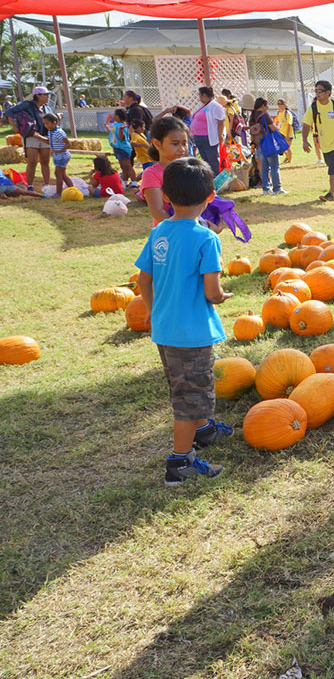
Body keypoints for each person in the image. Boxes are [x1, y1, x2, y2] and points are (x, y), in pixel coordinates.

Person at [134, 157, 234, 486]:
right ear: (210, 198)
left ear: (165, 195)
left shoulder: (160, 231)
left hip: (165, 331)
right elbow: (212, 292)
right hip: (192, 335)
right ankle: (180, 461)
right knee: (189, 401)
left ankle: (203, 430)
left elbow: (143, 280)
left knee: (185, 388)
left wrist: (151, 309)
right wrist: (223, 297)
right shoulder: (206, 239)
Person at [140, 116, 192, 228]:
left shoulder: (192, 169)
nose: (182, 149)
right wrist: (183, 229)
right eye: (175, 143)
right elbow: (158, 211)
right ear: (157, 144)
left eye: (184, 143)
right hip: (169, 235)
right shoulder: (152, 174)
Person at [3, 86, 53, 191]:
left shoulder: (47, 107)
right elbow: (9, 112)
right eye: (45, 94)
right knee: (32, 161)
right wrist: (15, 127)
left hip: (45, 135)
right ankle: (30, 185)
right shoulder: (27, 105)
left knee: (45, 161)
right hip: (31, 136)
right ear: (37, 96)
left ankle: (47, 185)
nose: (48, 96)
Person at [248, 97, 285, 195]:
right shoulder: (264, 115)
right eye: (267, 105)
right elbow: (273, 128)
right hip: (268, 143)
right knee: (274, 166)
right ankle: (277, 188)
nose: (268, 107)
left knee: (264, 167)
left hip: (258, 144)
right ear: (263, 106)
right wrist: (279, 126)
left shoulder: (252, 117)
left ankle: (266, 189)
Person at [31, 113, 72, 196]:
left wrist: (59, 151)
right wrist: (38, 137)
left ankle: (59, 193)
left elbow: (68, 144)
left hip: (62, 156)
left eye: (47, 123)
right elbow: (48, 141)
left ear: (54, 122)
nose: (46, 126)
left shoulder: (59, 132)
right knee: (62, 174)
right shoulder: (51, 132)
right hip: (58, 156)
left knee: (58, 174)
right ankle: (72, 188)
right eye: (44, 124)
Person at [190, 87, 226, 176]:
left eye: (200, 95)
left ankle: (217, 179)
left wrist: (220, 134)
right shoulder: (202, 105)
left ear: (205, 95)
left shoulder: (215, 106)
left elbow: (221, 121)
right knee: (205, 160)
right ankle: (210, 178)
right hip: (198, 137)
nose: (199, 97)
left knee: (212, 159)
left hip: (208, 137)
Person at [107, 108, 140, 187]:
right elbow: (112, 134)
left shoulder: (122, 126)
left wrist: (121, 130)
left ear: (118, 116)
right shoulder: (116, 125)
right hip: (117, 148)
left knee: (127, 166)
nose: (113, 116)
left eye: (114, 114)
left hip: (122, 148)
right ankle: (124, 181)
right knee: (123, 167)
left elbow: (122, 138)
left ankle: (134, 182)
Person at [274, 99, 296, 164]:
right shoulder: (278, 112)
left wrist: (287, 135)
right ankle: (287, 157)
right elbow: (277, 121)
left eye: (280, 104)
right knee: (282, 147)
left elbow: (289, 124)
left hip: (288, 133)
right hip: (280, 133)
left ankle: (289, 161)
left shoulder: (288, 113)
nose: (279, 105)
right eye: (278, 104)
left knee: (287, 147)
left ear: (284, 104)